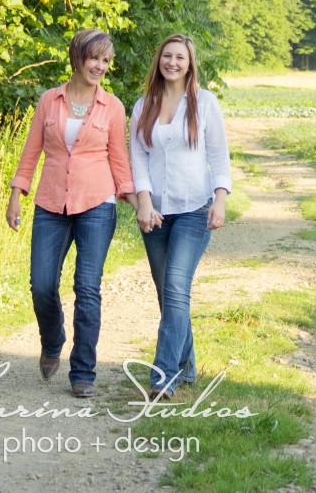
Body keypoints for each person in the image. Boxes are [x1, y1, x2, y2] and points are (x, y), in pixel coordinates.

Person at [5, 28, 136, 399]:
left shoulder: (113, 108)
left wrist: (135, 199)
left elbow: (119, 158)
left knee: (87, 288)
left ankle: (83, 373)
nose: (100, 66)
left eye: (106, 61)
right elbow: (31, 151)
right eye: (94, 58)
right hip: (50, 203)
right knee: (42, 284)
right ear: (77, 57)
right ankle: (52, 339)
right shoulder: (50, 100)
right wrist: (16, 195)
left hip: (97, 202)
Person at [130, 34, 231, 400]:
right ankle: (187, 366)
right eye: (167, 56)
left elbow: (219, 156)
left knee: (175, 289)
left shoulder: (205, 103)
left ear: (190, 65)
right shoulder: (143, 105)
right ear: (159, 61)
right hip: (155, 213)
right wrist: (143, 203)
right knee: (168, 295)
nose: (172, 63)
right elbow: (137, 158)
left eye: (180, 58)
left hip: (194, 210)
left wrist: (219, 201)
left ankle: (164, 377)